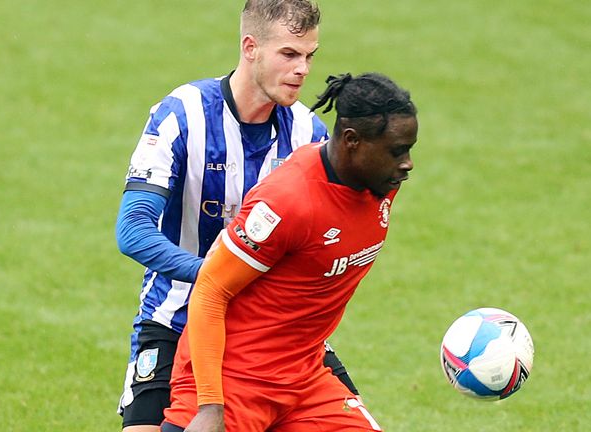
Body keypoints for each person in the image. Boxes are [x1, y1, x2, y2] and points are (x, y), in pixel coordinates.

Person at [115, 1, 359, 430]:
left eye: (309, 56)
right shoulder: (182, 115)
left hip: (273, 337)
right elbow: (133, 231)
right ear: (250, 47)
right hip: (176, 319)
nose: (303, 69)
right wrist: (216, 274)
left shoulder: (310, 135)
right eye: (289, 54)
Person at [161, 72, 418, 432]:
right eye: (397, 151)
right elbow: (209, 290)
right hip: (233, 380)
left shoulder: (380, 183)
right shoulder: (289, 201)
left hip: (304, 380)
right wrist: (208, 406)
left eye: (409, 149)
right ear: (352, 141)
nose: (407, 163)